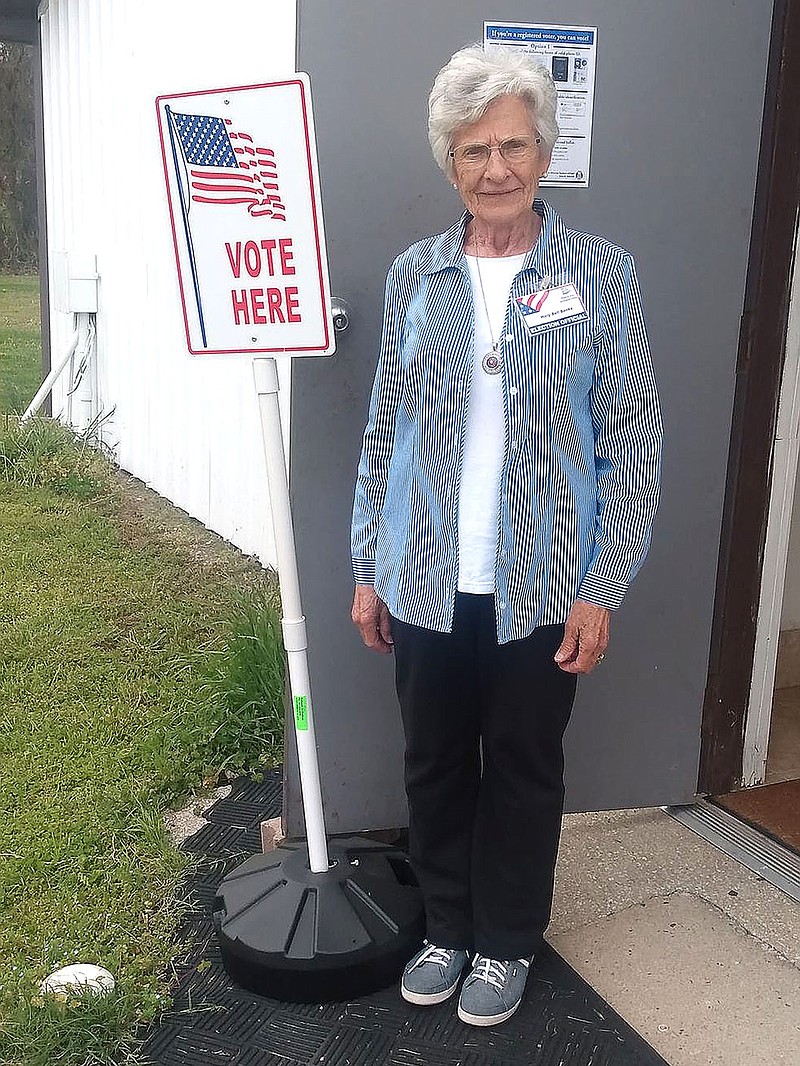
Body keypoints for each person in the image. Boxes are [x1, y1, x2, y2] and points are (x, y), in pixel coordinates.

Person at [350, 43, 662, 1028]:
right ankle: (446, 926)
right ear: (449, 161)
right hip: (425, 573)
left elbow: (632, 438)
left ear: (542, 152)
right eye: (474, 149)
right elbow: (382, 430)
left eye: (514, 146)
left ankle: (506, 941)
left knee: (524, 767)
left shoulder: (598, 276)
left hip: (542, 582)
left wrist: (602, 581)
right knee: (434, 762)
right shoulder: (416, 275)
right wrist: (368, 566)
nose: (496, 168)